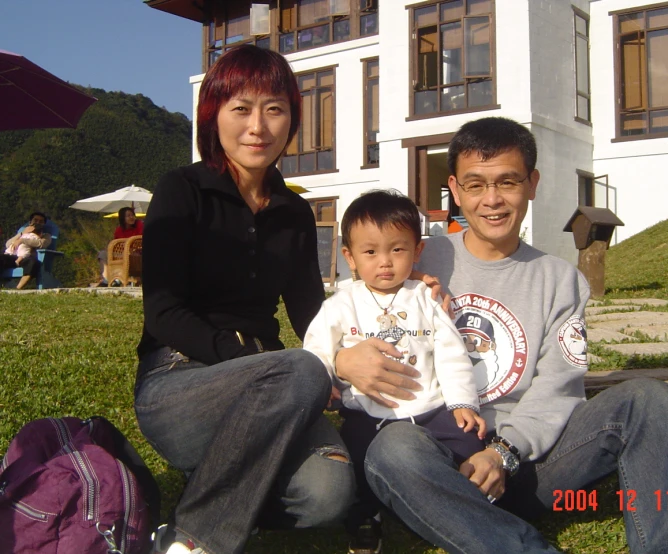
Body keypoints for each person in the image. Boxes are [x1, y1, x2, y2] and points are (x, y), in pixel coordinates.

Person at [333, 117, 668, 553]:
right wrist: (342, 361)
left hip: (527, 466)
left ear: (532, 183)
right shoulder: (412, 253)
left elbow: (558, 387)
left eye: (508, 182)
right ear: (454, 188)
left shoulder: (558, 280)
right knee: (393, 447)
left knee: (648, 398)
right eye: (475, 185)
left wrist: (502, 454)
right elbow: (354, 317)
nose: (492, 200)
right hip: (437, 463)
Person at [134, 45, 354, 554]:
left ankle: (222, 485)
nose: (258, 126)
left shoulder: (295, 213)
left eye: (274, 109)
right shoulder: (182, 190)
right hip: (180, 387)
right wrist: (251, 358)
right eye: (241, 108)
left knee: (328, 495)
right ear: (214, 117)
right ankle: (195, 537)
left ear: (292, 119)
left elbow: (309, 314)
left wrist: (385, 305)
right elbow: (162, 312)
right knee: (301, 370)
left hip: (272, 387)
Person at [303, 190, 485, 553]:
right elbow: (317, 348)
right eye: (370, 252)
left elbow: (450, 351)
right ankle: (365, 519)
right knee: (355, 464)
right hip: (367, 412)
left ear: (417, 251)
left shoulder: (425, 297)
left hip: (430, 408)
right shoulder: (341, 303)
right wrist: (324, 384)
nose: (385, 262)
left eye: (397, 250)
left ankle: (468, 502)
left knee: (469, 444)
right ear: (350, 257)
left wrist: (462, 401)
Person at [94, 206, 145, 287]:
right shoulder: (119, 229)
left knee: (125, 256)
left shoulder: (139, 225)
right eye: (128, 216)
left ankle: (118, 279)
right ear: (123, 218)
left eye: (132, 215)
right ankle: (106, 279)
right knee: (103, 254)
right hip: (122, 253)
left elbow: (141, 238)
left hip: (136, 253)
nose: (131, 217)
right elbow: (116, 243)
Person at [3, 212, 52, 289]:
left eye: (41, 221)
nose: (38, 222)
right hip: (12, 256)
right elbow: (8, 244)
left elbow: (41, 244)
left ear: (44, 224)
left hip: (27, 257)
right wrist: (22, 233)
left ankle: (17, 289)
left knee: (33, 263)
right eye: (35, 220)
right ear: (30, 222)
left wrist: (22, 240)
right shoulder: (23, 233)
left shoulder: (46, 235)